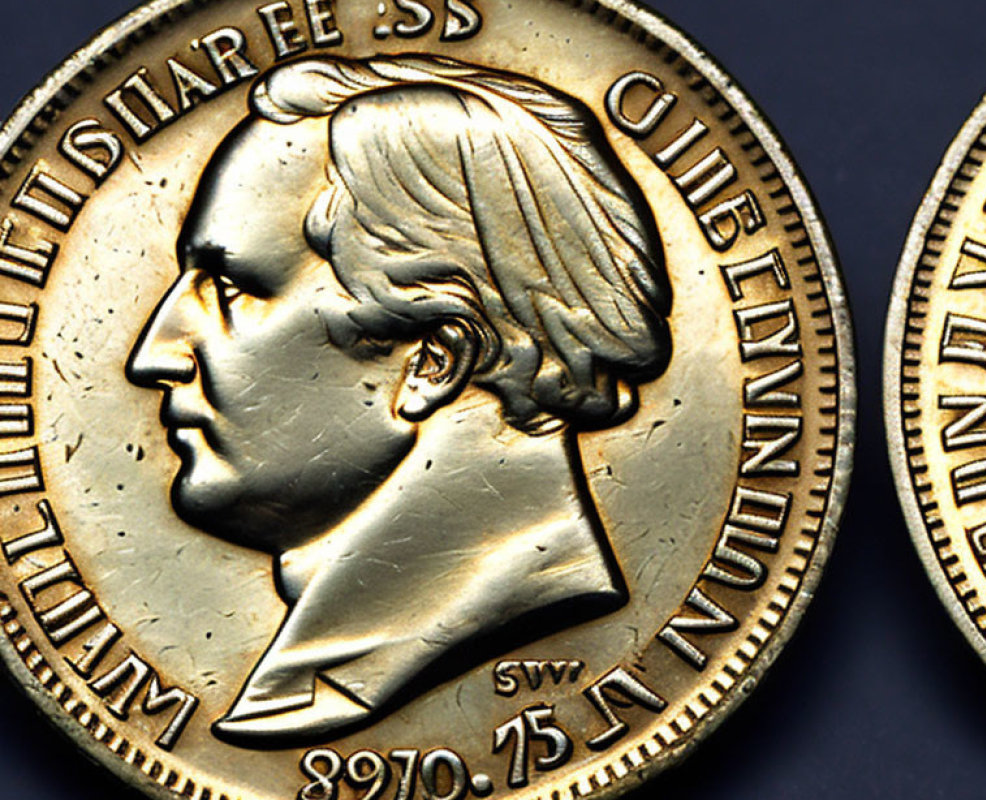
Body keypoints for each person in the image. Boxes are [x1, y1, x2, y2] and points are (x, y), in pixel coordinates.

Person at [127, 54, 671, 745]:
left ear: (433, 360)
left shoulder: (343, 681)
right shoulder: (323, 676)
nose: (154, 357)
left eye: (232, 290)